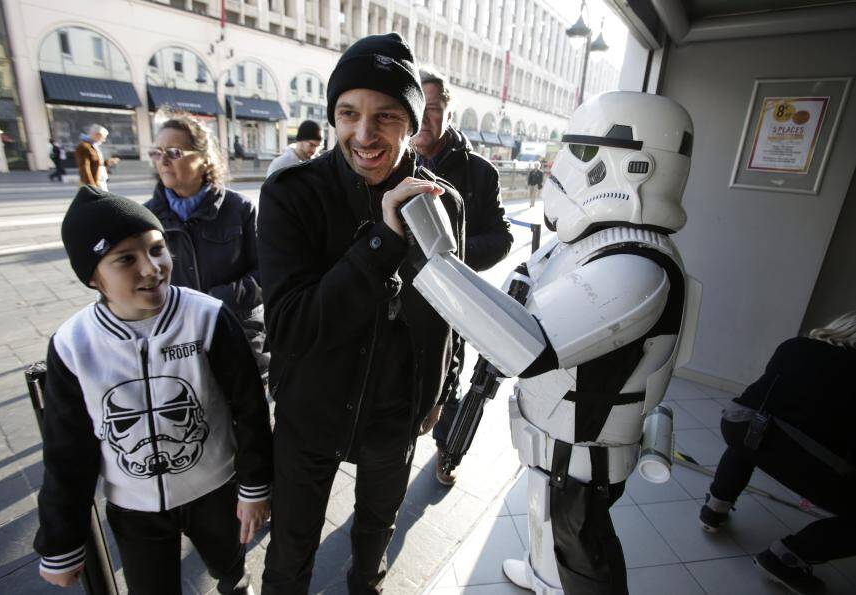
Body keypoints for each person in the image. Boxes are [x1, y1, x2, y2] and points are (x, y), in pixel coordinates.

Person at [401, 91, 697, 594]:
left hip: (584, 456)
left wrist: (431, 257)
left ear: (637, 166)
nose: (561, 164)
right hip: (558, 445)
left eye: (581, 151)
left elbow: (527, 347)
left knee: (580, 555)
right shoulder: (590, 242)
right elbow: (523, 294)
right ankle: (542, 578)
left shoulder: (637, 265)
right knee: (544, 529)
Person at [257, 32, 464, 594]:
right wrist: (382, 241)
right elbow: (291, 326)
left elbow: (454, 310)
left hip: (394, 414)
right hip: (312, 410)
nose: (364, 134)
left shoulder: (442, 200)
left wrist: (440, 390)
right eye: (348, 113)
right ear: (332, 116)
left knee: (375, 532)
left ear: (412, 123)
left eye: (387, 116)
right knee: (291, 548)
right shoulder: (291, 195)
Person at [33, 185, 273, 595]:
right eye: (126, 258)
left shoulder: (206, 316)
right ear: (92, 276)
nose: (152, 268)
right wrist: (60, 542)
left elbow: (248, 407)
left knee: (229, 564)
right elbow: (66, 450)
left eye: (157, 248)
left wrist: (255, 487)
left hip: (215, 490)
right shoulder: (74, 344)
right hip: (134, 508)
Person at [699, 311, 856, 595]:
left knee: (756, 430)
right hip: (797, 457)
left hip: (739, 425)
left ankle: (715, 507)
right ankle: (786, 557)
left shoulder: (794, 346)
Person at [410, 67, 513, 486]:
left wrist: (449, 253)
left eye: (432, 108)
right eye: (416, 108)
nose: (423, 119)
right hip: (404, 296)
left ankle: (446, 451)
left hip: (455, 298)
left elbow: (503, 238)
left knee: (451, 377)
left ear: (448, 110)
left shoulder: (480, 171)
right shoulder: (391, 161)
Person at [144, 113, 270, 384]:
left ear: (204, 158)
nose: (162, 161)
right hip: (177, 341)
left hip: (237, 334)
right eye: (157, 152)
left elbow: (267, 272)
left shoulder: (239, 209)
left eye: (174, 152)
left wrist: (214, 301)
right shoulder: (146, 217)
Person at [75, 124, 119, 190]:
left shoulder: (93, 145)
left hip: (99, 180)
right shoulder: (84, 146)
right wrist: (91, 185)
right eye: (103, 137)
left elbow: (95, 163)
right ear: (97, 135)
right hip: (94, 182)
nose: (104, 140)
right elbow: (84, 167)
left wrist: (107, 162)